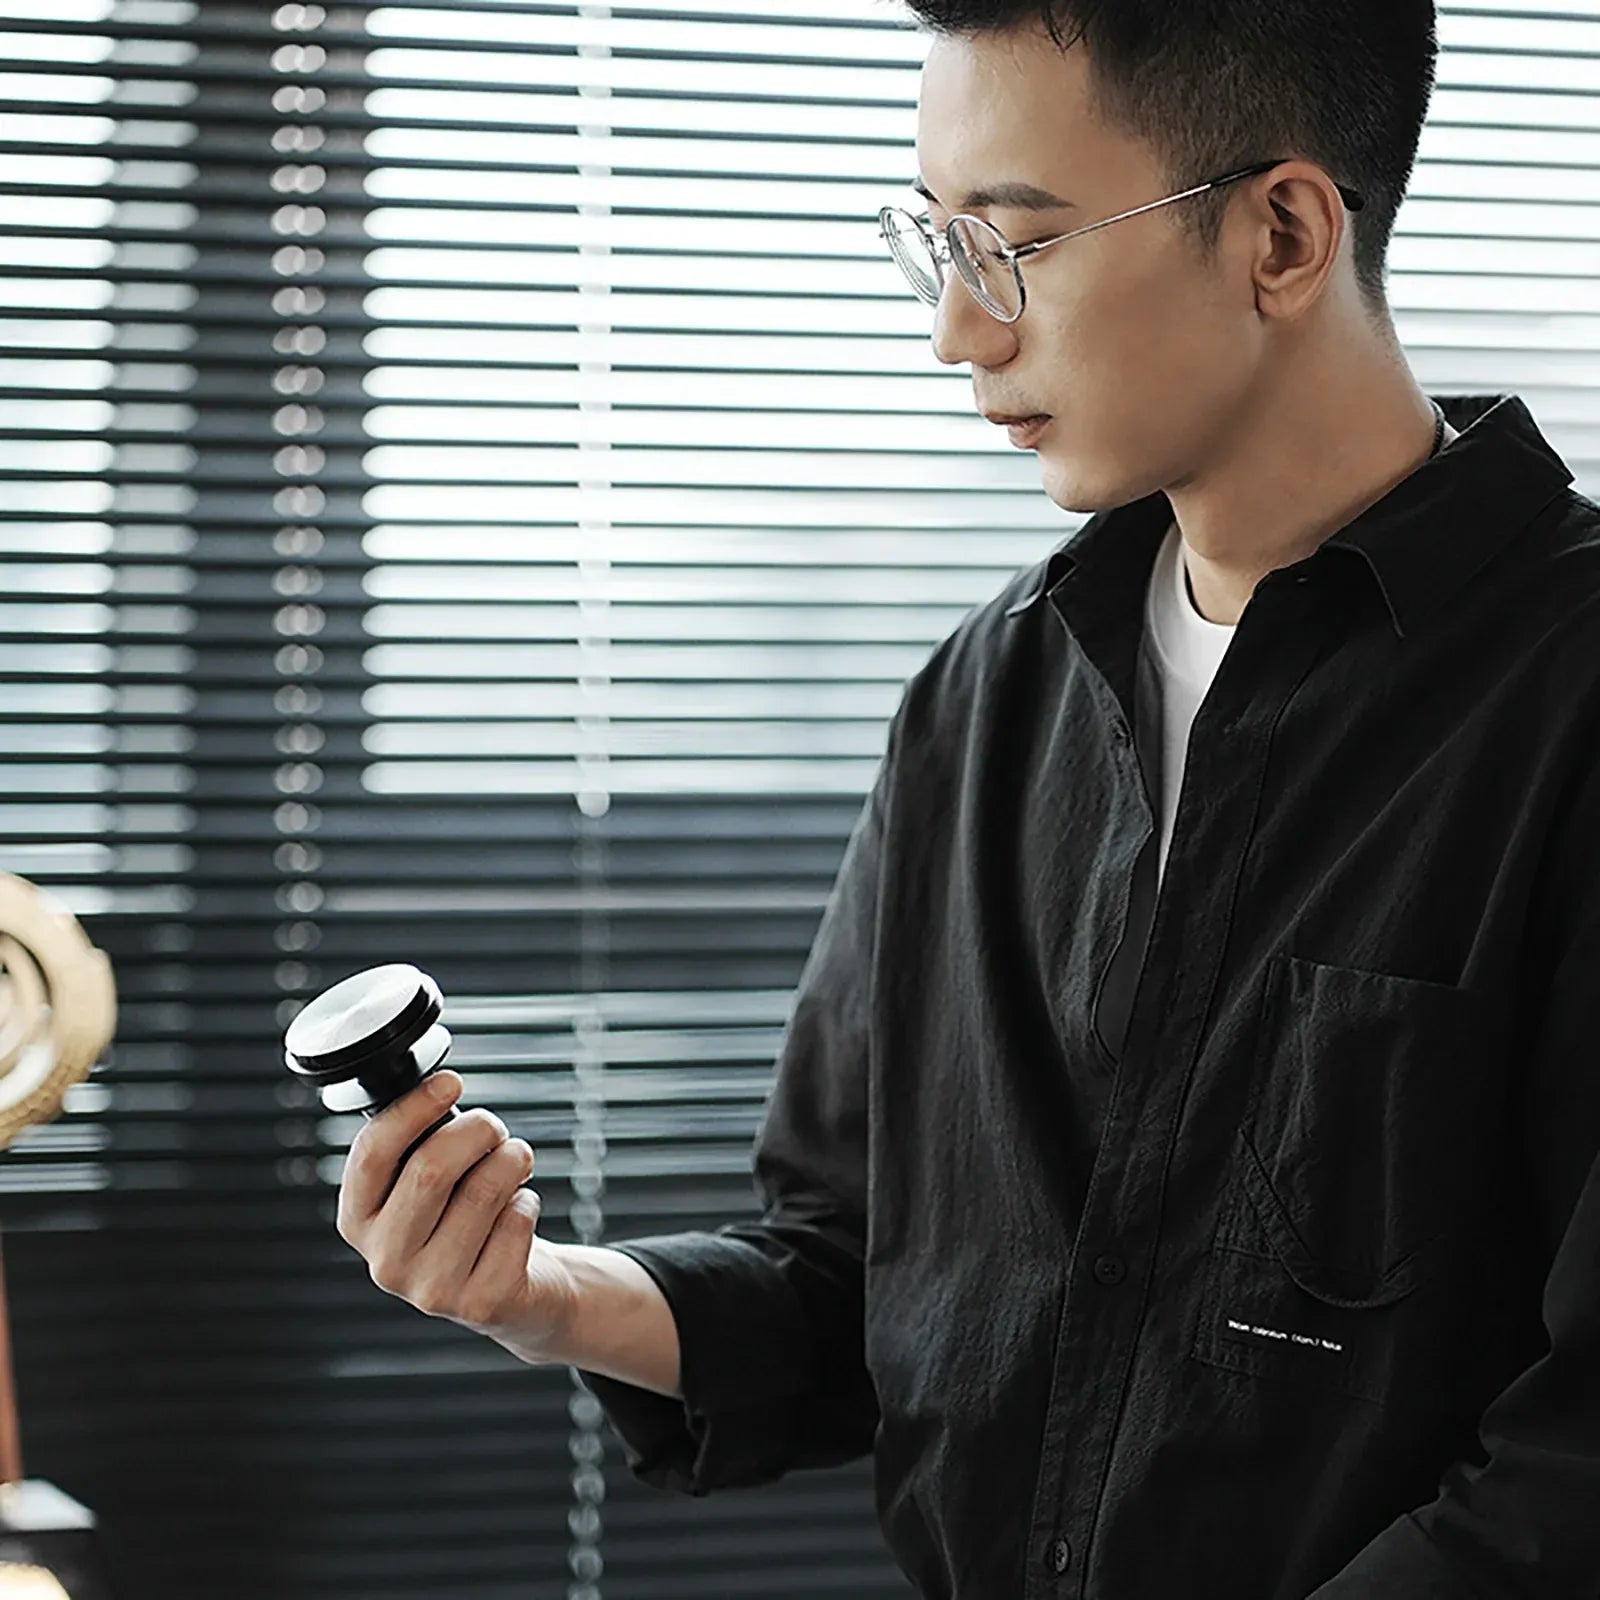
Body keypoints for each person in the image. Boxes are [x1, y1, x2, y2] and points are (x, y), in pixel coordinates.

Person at [335, 2, 1600, 1595]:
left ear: (1282, 234)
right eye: (935, 242)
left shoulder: (1565, 698)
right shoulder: (979, 704)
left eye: (1014, 244)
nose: (957, 330)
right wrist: (543, 1298)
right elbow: (854, 1283)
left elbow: (1572, 1478)